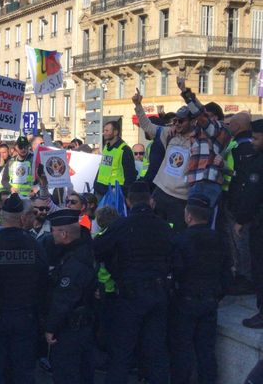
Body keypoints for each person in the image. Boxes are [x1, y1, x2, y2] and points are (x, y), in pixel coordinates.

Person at [93, 181, 174, 384]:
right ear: (151, 201)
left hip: (129, 296)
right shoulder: (164, 227)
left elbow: (98, 249)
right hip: (158, 293)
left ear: (128, 202)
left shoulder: (121, 226)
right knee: (156, 352)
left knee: (122, 352)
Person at [0, 194, 48, 383]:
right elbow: (44, 281)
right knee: (23, 370)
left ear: (2, 218)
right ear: (23, 218)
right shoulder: (35, 246)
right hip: (26, 316)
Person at [169, 194, 231, 384]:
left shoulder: (181, 240)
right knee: (206, 353)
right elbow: (227, 273)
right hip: (210, 301)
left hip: (186, 302)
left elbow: (175, 272)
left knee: (182, 353)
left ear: (188, 216)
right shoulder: (220, 239)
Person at [45, 209, 97, 384]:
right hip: (83, 326)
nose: (52, 234)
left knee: (67, 374)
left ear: (64, 233)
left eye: (54, 230)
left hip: (71, 329)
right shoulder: (82, 251)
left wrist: (51, 328)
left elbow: (64, 299)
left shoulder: (74, 262)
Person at [133, 91, 193, 230]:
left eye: (181, 121)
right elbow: (147, 126)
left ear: (193, 121)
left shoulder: (199, 140)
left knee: (176, 234)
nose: (177, 124)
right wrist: (138, 105)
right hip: (160, 192)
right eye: (175, 121)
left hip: (181, 198)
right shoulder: (168, 133)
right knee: (154, 230)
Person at [220, 112, 256, 294]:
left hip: (236, 202)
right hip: (237, 201)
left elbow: (241, 177)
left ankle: (244, 278)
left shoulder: (241, 147)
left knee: (239, 240)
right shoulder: (241, 144)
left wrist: (223, 169)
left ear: (238, 126)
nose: (228, 127)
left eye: (231, 124)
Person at [235, 119, 263, 328]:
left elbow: (252, 194)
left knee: (259, 267)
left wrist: (241, 220)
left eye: (256, 137)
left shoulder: (259, 163)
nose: (252, 141)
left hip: (259, 223)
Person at [93, 121, 136, 199]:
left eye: (107, 131)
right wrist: (95, 183)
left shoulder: (124, 150)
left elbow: (130, 175)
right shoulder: (106, 147)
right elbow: (102, 167)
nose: (104, 133)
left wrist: (124, 192)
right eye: (104, 130)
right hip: (100, 190)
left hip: (113, 193)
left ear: (115, 132)